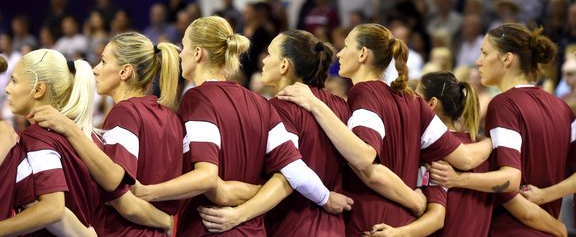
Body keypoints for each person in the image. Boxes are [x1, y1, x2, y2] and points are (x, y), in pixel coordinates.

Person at [132, 16, 352, 236]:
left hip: (210, 226)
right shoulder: (260, 102)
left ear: (198, 53)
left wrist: (145, 192)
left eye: (184, 46)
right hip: (257, 230)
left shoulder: (198, 98)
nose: (180, 53)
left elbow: (207, 178)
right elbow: (292, 170)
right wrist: (254, 191)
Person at [197, 30, 423, 236]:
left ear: (284, 65)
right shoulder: (341, 106)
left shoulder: (280, 107)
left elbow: (289, 176)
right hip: (336, 227)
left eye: (269, 53)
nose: (264, 60)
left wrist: (239, 214)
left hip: (291, 226)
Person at [277, 23, 493, 236]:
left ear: (363, 54)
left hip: (370, 224)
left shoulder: (364, 93)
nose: (340, 54)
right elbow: (465, 158)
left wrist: (315, 105)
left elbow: (365, 160)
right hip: (407, 224)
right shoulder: (415, 99)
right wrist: (494, 139)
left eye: (346, 46)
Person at [31, 33, 183, 236]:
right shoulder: (170, 117)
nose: (95, 69)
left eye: (103, 61)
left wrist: (69, 127)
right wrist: (165, 220)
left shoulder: (125, 112)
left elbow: (119, 195)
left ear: (125, 71)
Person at [430, 24, 570, 236]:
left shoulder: (504, 104)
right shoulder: (563, 108)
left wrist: (459, 179)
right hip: (546, 229)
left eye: (485, 53)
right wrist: (547, 197)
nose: (478, 62)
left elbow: (510, 180)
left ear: (507, 59)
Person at [0, 49, 101, 236]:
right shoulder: (76, 137)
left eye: (14, 81)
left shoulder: (36, 138)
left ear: (38, 90)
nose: (7, 88)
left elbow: (53, 209)